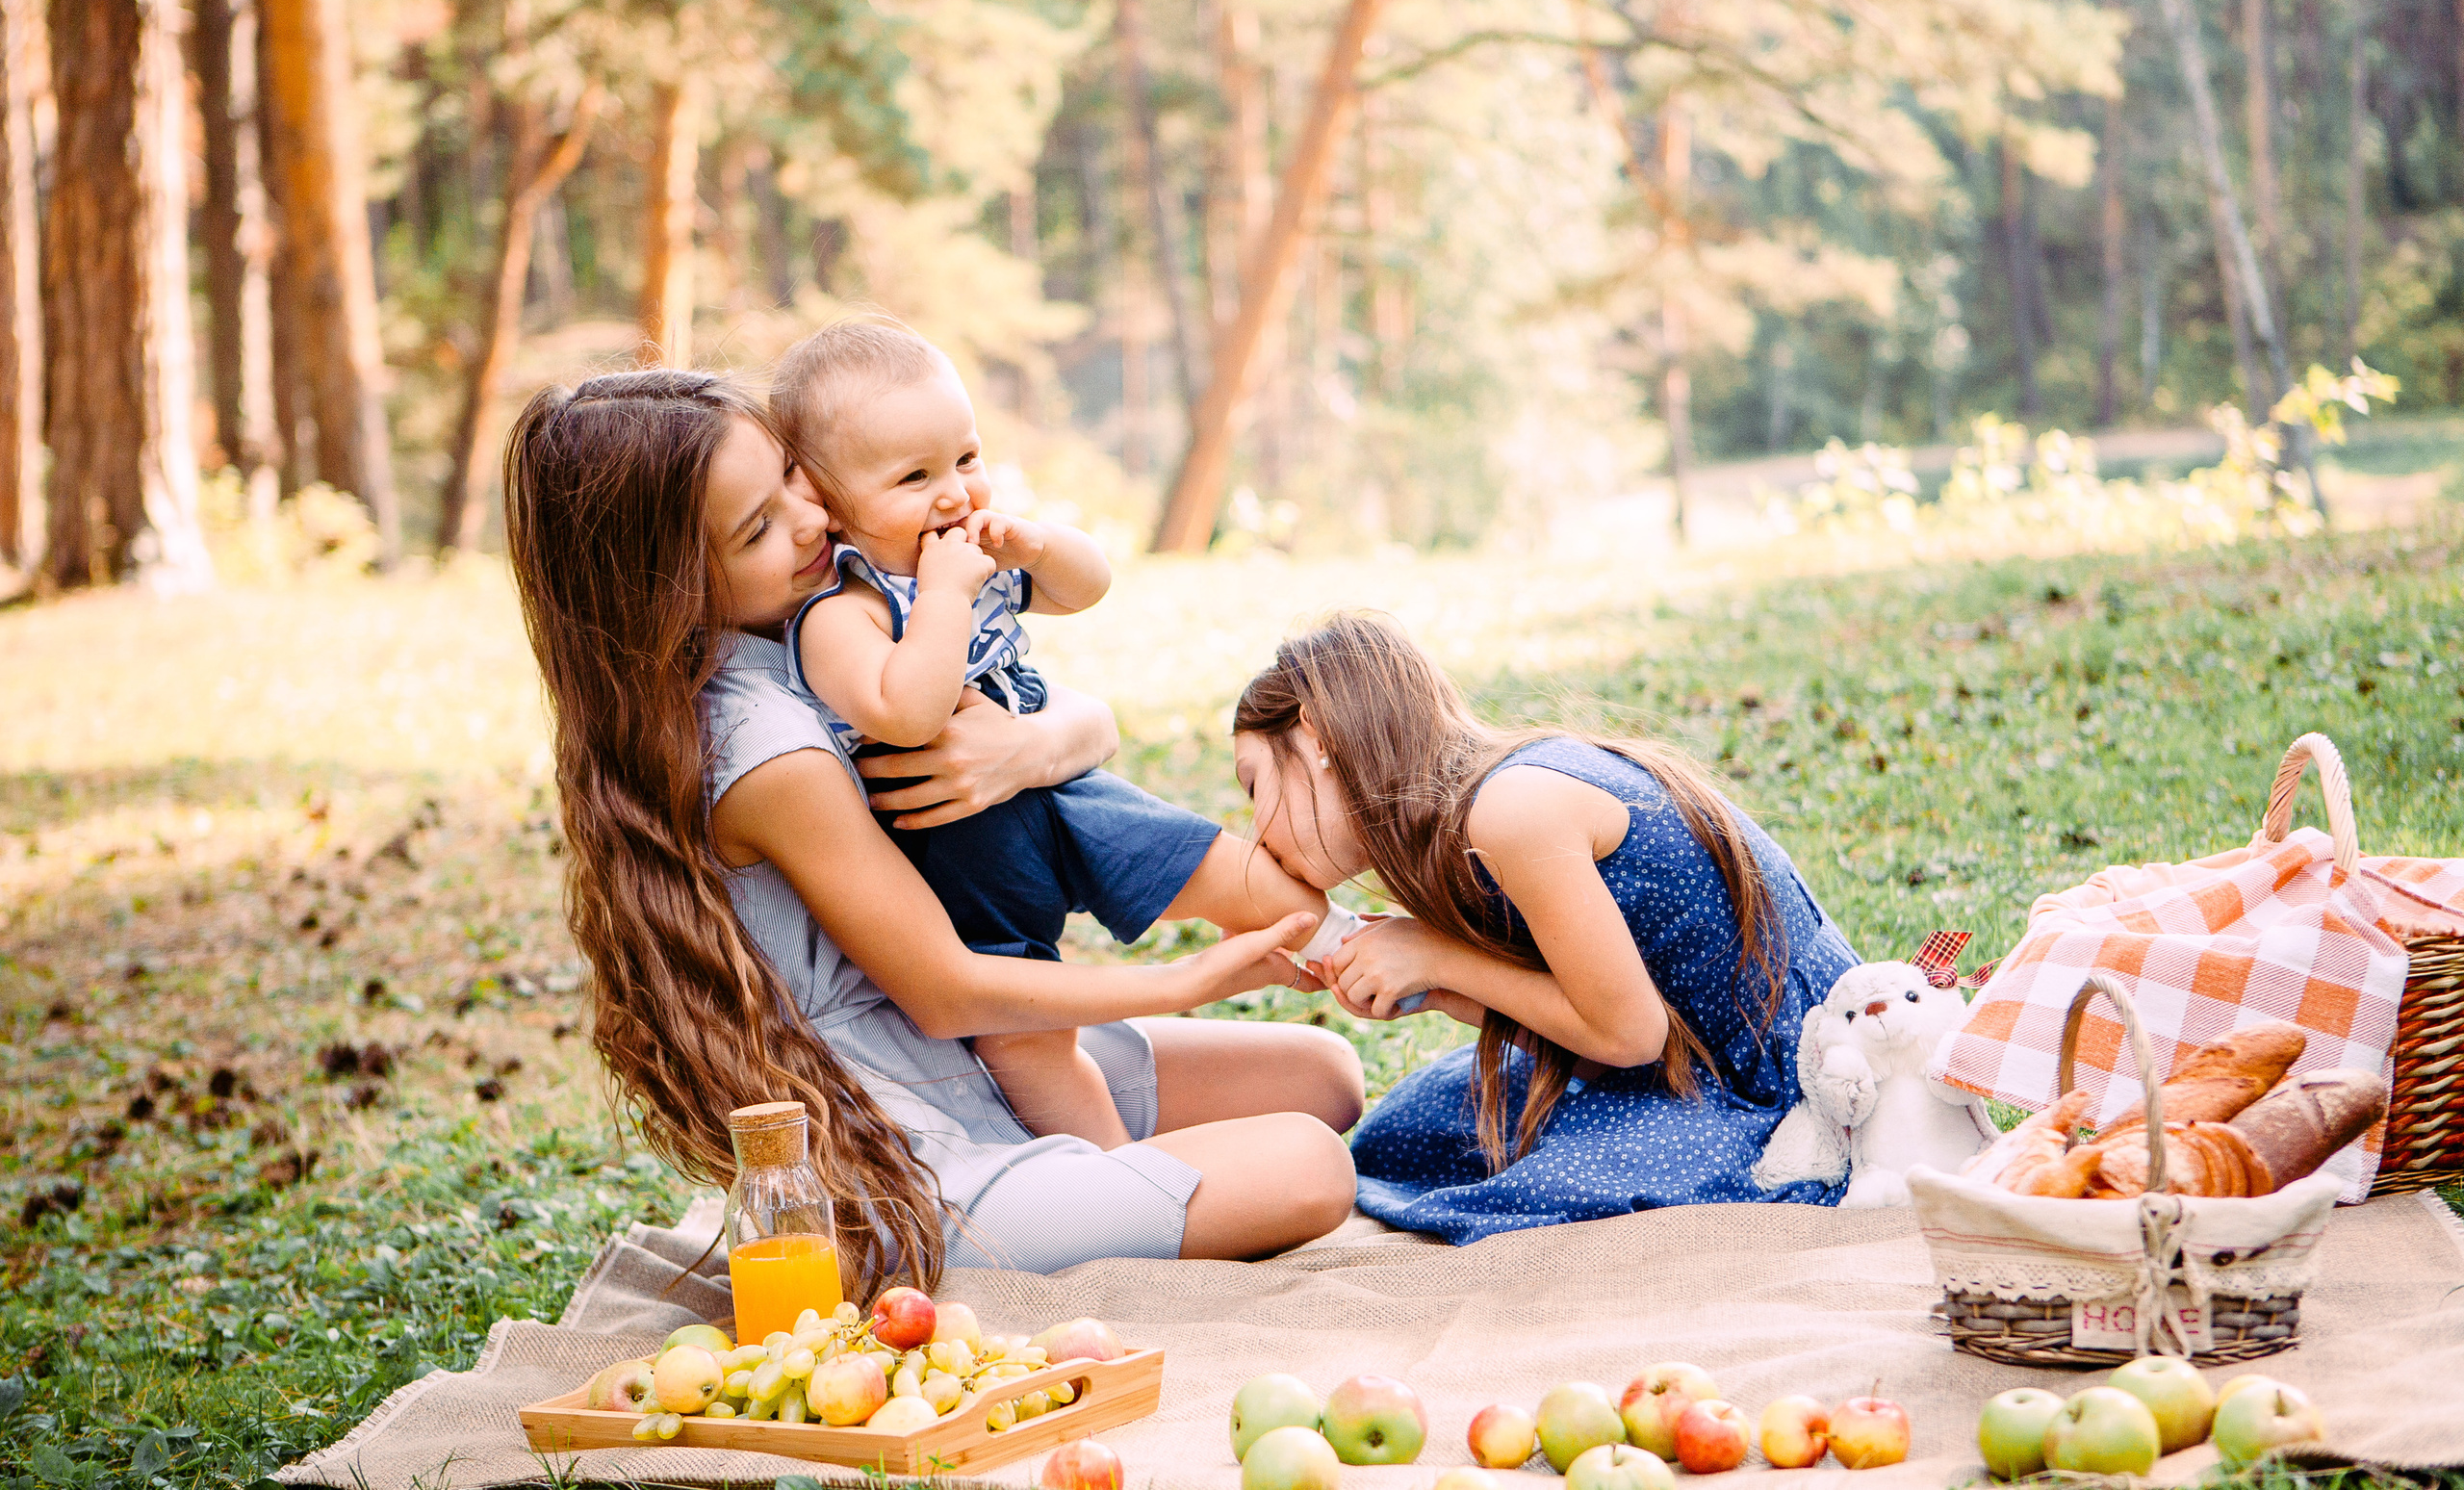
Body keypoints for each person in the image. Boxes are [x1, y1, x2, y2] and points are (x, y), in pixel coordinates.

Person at [501, 370, 1362, 1297]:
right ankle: (1089, 1191)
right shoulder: (760, 747)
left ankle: (1112, 1182)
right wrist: (1185, 979)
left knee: (1325, 1074)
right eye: (756, 527)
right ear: (662, 588)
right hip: (910, 1151)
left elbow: (1070, 716)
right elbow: (947, 992)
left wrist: (1035, 744)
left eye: (794, 475)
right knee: (1313, 1165)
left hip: (968, 1064)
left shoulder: (807, 628)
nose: (809, 518)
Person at [770, 320, 1329, 1147]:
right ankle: (1120, 1178)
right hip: (964, 859)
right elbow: (908, 712)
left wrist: (1035, 545)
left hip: (1066, 796)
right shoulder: (840, 615)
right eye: (913, 477)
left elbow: (1086, 588)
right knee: (1032, 1040)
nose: (955, 493)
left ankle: (1405, 966)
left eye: (965, 458)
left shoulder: (978, 550)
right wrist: (946, 596)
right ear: (828, 500)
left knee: (1260, 887)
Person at [1229, 612, 1857, 1244]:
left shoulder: (1512, 809)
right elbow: (1593, 1035)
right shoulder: (1472, 821)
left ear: (1314, 735)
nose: (1257, 832)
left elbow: (1632, 1034)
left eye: (1254, 783)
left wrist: (1438, 959)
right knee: (1403, 1136)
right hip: (1681, 1063)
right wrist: (1442, 990)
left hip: (1784, 1076)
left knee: (1548, 1181)